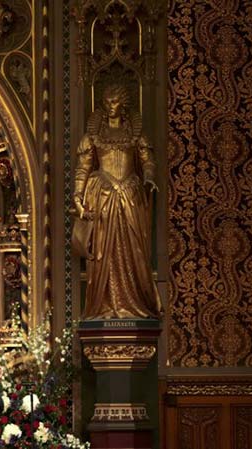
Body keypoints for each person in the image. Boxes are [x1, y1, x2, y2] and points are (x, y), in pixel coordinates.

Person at [72, 83, 162, 319]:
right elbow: (83, 168)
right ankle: (104, 304)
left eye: (115, 101)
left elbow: (147, 160)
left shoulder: (135, 133)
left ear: (124, 104)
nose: (110, 106)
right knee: (103, 253)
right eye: (108, 101)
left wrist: (150, 178)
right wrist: (78, 197)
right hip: (102, 196)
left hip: (131, 197)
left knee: (134, 250)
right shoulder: (93, 135)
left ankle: (133, 302)